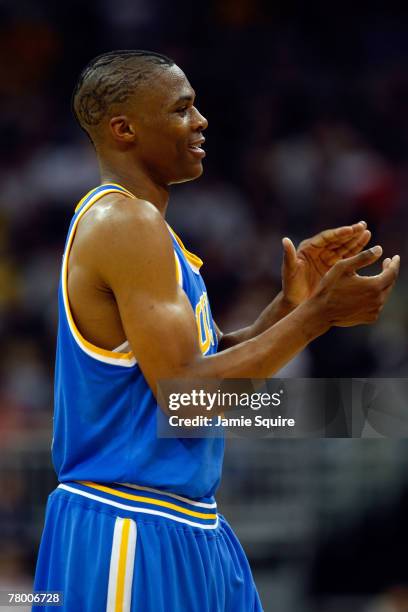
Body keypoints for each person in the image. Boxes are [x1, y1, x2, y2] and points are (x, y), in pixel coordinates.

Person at [33, 50, 399, 612]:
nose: (201, 121)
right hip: (128, 522)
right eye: (181, 109)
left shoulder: (153, 233)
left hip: (189, 519)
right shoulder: (125, 224)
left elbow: (200, 366)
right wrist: (317, 315)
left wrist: (287, 308)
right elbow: (186, 399)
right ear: (124, 128)